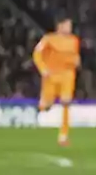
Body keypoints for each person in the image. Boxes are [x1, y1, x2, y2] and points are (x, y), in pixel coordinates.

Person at [32, 18, 80, 146]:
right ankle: (41, 108)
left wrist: (76, 61)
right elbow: (37, 54)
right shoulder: (48, 39)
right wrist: (43, 69)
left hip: (67, 75)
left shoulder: (74, 40)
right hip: (51, 75)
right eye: (67, 25)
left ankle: (63, 136)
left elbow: (74, 56)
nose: (69, 28)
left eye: (70, 25)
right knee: (47, 105)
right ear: (60, 26)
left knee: (66, 103)